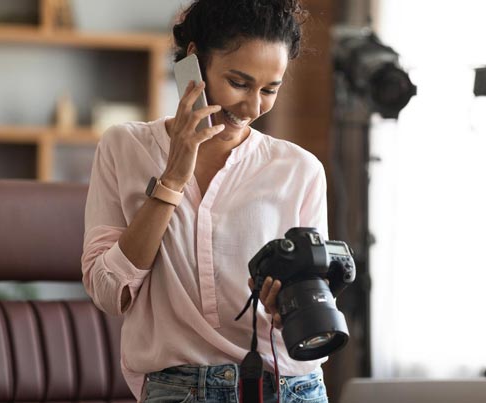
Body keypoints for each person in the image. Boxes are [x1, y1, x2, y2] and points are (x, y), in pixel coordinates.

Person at [80, 1, 330, 402]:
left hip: (289, 388)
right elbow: (109, 293)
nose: (252, 107)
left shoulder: (299, 170)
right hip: (180, 389)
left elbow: (310, 297)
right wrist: (174, 177)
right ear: (192, 64)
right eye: (239, 82)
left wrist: (288, 307)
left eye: (270, 89)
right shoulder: (124, 147)